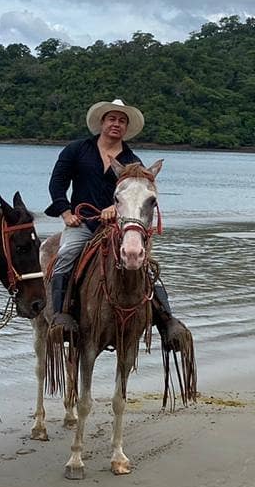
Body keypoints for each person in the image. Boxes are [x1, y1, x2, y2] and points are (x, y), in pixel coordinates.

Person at [44, 98, 181, 349]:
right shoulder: (76, 150)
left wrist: (114, 208)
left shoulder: (132, 160)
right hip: (82, 223)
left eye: (121, 120)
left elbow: (134, 195)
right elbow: (57, 184)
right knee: (66, 255)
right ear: (102, 122)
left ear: (126, 127)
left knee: (146, 266)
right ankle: (60, 316)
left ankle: (166, 321)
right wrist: (65, 213)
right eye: (112, 119)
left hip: (117, 226)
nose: (116, 124)